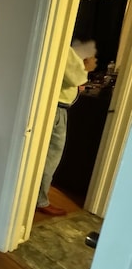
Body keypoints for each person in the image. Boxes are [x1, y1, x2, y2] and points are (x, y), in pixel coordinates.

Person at [37, 40, 97, 216]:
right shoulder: (66, 49)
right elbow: (77, 77)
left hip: (54, 107)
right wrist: (87, 67)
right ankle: (40, 200)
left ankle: (36, 198)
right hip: (57, 109)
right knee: (51, 156)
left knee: (46, 156)